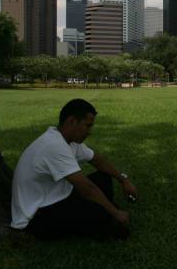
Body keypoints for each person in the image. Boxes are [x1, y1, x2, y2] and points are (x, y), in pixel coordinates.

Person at [10, 98, 137, 240]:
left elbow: (97, 160)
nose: (90, 131)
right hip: (37, 215)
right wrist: (115, 212)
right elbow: (87, 189)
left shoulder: (67, 140)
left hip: (57, 196)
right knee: (103, 216)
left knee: (103, 177)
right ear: (71, 121)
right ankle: (106, 220)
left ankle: (104, 215)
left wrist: (123, 180)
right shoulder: (54, 146)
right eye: (87, 126)